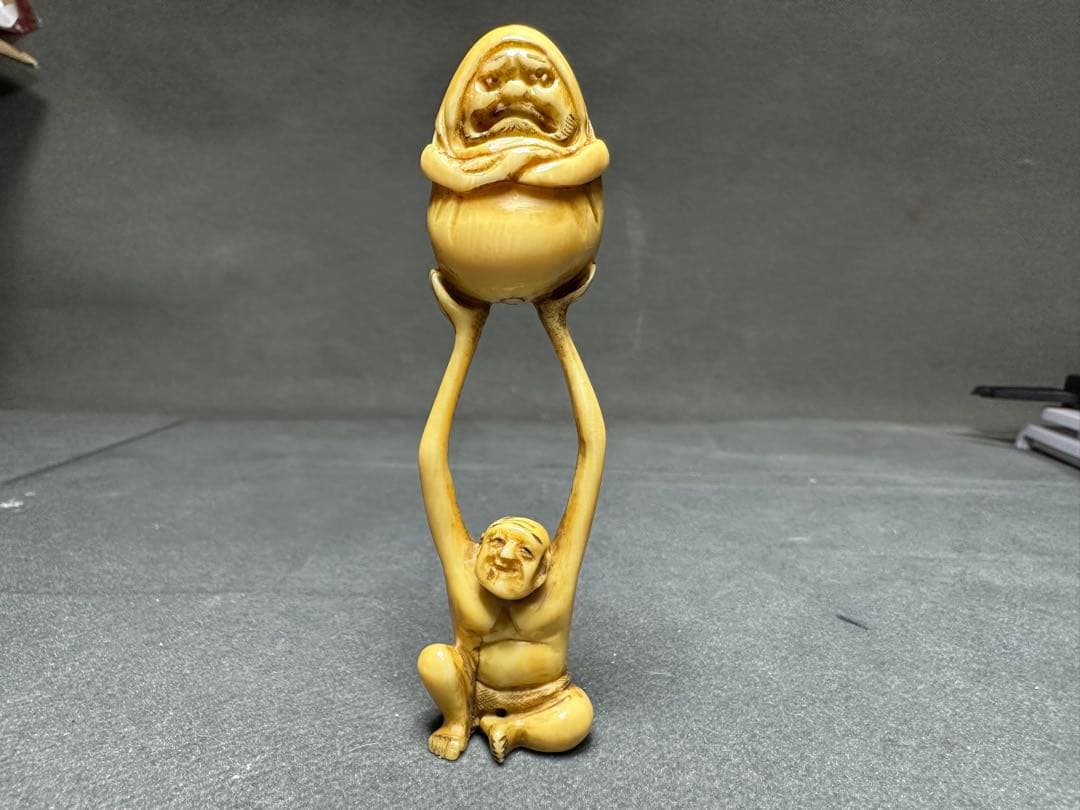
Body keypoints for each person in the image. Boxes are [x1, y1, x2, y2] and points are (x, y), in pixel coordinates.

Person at [417, 264, 605, 763]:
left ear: (545, 568)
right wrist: (465, 337)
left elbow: (592, 450)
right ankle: (460, 719)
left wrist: (558, 328)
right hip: (470, 688)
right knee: (435, 660)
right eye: (497, 541)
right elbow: (432, 458)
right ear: (478, 545)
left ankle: (516, 729)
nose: (504, 555)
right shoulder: (464, 565)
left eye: (525, 552)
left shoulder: (557, 582)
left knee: (577, 719)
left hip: (546, 697)